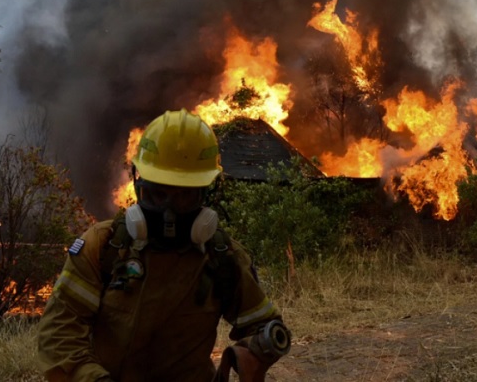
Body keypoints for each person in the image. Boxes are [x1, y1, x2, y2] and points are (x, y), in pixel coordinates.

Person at [38, 109, 290, 382]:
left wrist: (250, 352)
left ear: (206, 192)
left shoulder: (222, 257)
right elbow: (59, 334)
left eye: (184, 196)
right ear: (139, 185)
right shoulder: (103, 247)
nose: (169, 212)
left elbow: (263, 326)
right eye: (158, 194)